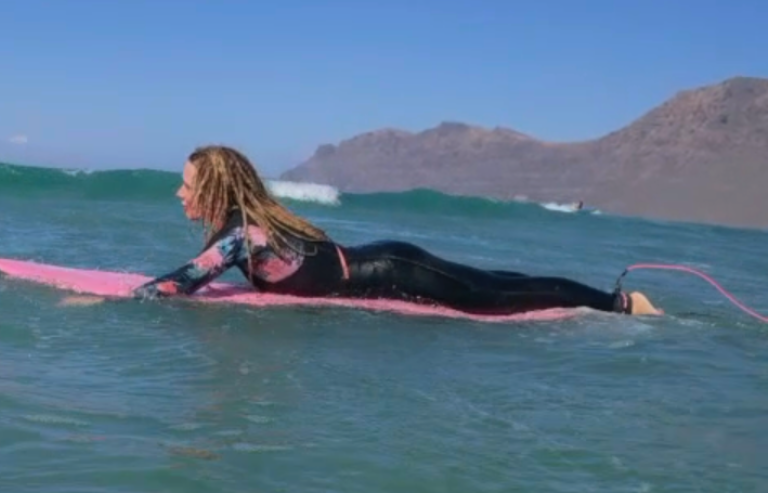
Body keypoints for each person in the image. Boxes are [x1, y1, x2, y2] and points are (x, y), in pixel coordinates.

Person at [131, 145, 661, 316]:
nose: (180, 195)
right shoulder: (241, 229)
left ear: (216, 190)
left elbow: (182, 281)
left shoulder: (243, 233)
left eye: (186, 186)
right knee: (495, 280)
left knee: (499, 296)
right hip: (382, 265)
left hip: (393, 267)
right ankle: (615, 299)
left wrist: (113, 303)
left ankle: (620, 305)